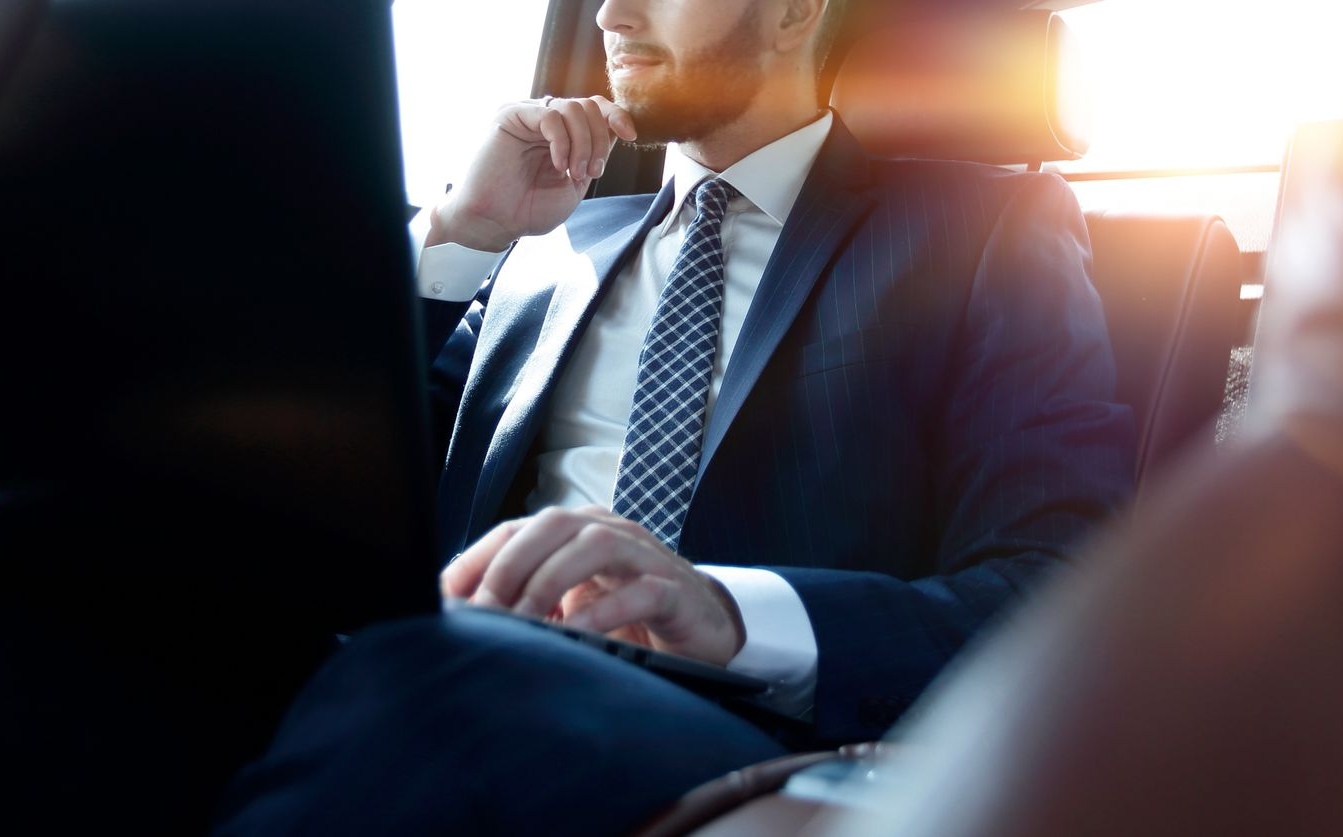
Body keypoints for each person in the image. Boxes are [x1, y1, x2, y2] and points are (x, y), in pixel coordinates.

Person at [214, 0, 1133, 832]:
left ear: (793, 12)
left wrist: (725, 611)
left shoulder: (983, 229)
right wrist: (466, 231)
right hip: (452, 674)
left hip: (745, 731)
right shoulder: (546, 243)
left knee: (429, 678)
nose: (611, 15)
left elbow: (1053, 587)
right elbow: (344, 486)